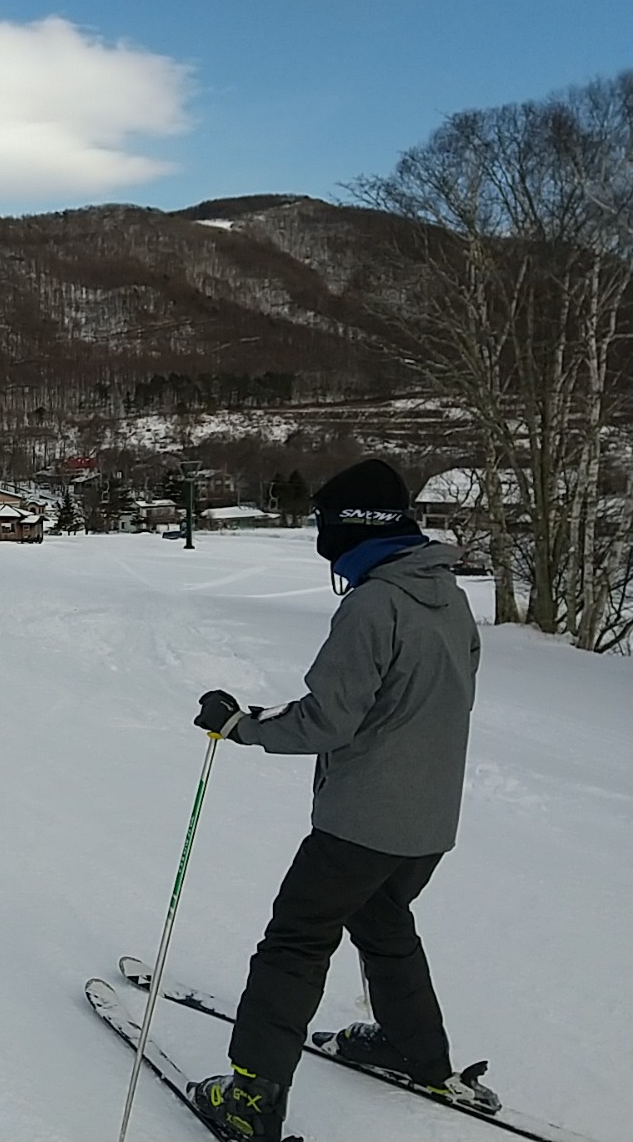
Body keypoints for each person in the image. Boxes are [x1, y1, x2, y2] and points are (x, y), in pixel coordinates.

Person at [185, 458, 492, 1140]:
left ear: (352, 528)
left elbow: (329, 722)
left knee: (296, 939)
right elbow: (393, 703)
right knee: (384, 925)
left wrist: (239, 728)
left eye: (326, 522)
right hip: (429, 820)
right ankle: (416, 1052)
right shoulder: (444, 595)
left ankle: (251, 1099)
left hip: (363, 822)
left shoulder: (373, 604)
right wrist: (278, 716)